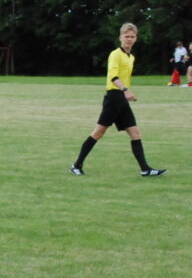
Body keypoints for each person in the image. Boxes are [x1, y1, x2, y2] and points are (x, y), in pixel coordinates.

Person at [70, 23, 165, 177]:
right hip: (114, 98)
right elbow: (113, 77)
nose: (129, 39)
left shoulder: (131, 57)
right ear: (120, 37)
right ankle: (76, 165)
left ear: (136, 38)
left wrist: (125, 93)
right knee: (98, 132)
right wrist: (126, 90)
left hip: (122, 99)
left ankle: (145, 169)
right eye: (126, 36)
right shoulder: (115, 54)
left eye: (132, 36)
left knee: (135, 133)